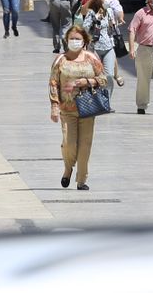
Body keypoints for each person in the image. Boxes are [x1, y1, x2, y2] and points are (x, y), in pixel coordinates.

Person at [48, 23, 105, 192]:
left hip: (88, 108)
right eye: (71, 38)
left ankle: (81, 179)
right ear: (66, 40)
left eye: (78, 39)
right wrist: (54, 106)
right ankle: (68, 168)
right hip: (67, 109)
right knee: (69, 143)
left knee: (85, 145)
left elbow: (104, 79)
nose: (74, 41)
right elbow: (53, 83)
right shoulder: (61, 60)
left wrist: (86, 81)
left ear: (84, 41)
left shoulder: (91, 58)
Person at [80, 0, 122, 94]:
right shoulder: (91, 12)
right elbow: (84, 29)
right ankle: (97, 98)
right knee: (96, 75)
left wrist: (113, 24)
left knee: (109, 75)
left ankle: (107, 99)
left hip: (108, 46)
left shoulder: (109, 11)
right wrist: (95, 19)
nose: (108, 1)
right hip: (95, 48)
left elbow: (111, 29)